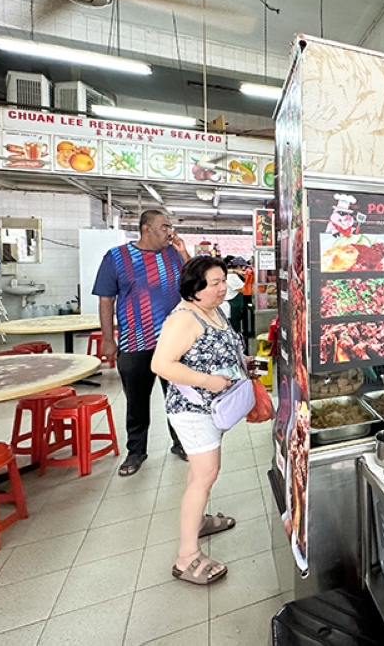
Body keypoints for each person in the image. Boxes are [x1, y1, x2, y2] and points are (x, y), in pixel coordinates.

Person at [151, 256, 244, 586]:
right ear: (194, 289)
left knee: (198, 473)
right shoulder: (183, 319)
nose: (223, 288)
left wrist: (244, 362)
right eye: (215, 283)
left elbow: (220, 348)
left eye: (224, 281)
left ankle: (198, 521)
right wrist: (208, 380)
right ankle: (186, 557)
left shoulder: (214, 310)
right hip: (193, 411)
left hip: (214, 407)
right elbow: (161, 365)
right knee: (206, 474)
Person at [93, 210, 190, 476]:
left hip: (173, 343)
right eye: (164, 226)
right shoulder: (116, 257)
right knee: (137, 402)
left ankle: (181, 443)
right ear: (146, 229)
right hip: (134, 343)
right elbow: (106, 301)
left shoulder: (172, 254)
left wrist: (183, 253)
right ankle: (136, 452)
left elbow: (194, 281)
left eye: (170, 226)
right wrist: (108, 339)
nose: (170, 231)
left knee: (178, 397)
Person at [224, 257, 246, 335]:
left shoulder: (232, 275)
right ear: (239, 267)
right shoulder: (232, 276)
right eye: (244, 267)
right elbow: (243, 290)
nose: (244, 270)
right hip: (231, 307)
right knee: (234, 331)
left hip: (232, 306)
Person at [241, 258, 255, 340]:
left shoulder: (249, 271)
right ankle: (248, 333)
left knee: (247, 312)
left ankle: (247, 332)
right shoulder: (250, 271)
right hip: (248, 294)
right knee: (248, 312)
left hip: (248, 293)